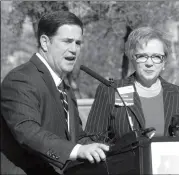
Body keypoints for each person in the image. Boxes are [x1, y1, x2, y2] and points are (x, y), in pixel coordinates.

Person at [1, 11, 109, 175]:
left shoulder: (64, 87)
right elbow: (28, 132)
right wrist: (77, 150)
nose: (74, 49)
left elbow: (76, 138)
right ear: (45, 42)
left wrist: (107, 149)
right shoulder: (20, 79)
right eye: (67, 41)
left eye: (78, 43)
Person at [84, 27, 179, 141]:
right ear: (132, 58)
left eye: (156, 57)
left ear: (164, 62)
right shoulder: (111, 91)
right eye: (142, 56)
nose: (149, 63)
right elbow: (91, 140)